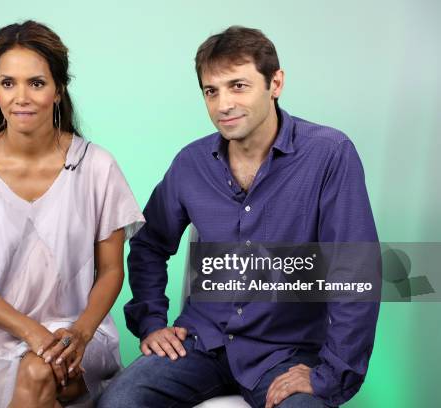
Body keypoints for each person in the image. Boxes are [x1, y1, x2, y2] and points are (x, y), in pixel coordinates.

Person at [98, 26, 379, 408]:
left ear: (275, 83)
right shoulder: (191, 164)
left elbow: (355, 272)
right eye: (211, 92)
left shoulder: (329, 154)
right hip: (200, 342)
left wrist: (332, 374)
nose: (223, 104)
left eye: (238, 86)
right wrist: (152, 323)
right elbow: (148, 243)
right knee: (118, 401)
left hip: (287, 352)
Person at [0, 20, 144, 408]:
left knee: (40, 370)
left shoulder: (96, 166)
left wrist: (78, 334)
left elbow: (111, 271)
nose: (21, 97)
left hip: (81, 336)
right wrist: (35, 336)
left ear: (58, 90)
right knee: (38, 371)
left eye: (37, 83)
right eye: (8, 83)